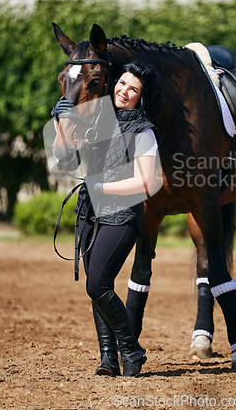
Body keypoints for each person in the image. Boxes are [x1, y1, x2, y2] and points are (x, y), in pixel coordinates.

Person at [68, 61, 162, 378]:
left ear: (141, 97)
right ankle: (108, 358)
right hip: (91, 213)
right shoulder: (102, 119)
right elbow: (70, 156)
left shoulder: (145, 132)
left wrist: (102, 186)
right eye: (121, 83)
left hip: (122, 217)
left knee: (97, 284)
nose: (123, 91)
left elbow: (146, 183)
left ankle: (131, 351)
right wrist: (61, 116)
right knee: (98, 288)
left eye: (132, 89)